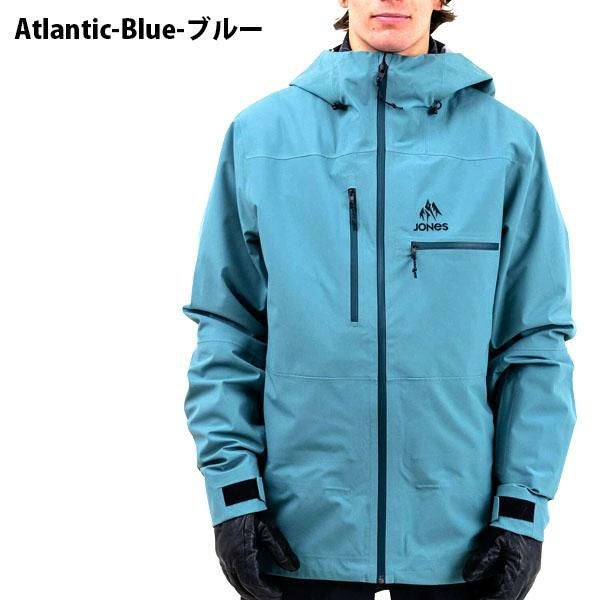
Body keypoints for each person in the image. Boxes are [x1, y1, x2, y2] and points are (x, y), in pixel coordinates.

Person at [181, 1, 577, 599]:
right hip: (296, 532)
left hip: (463, 541)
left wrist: (522, 507)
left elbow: (533, 341)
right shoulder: (261, 136)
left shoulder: (506, 143)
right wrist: (234, 495)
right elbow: (228, 329)